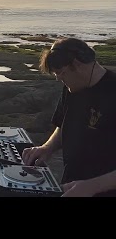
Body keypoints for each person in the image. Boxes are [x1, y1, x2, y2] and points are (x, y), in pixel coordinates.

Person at [21, 37, 116, 197]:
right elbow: (63, 124)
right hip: (72, 186)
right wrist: (47, 147)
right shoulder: (72, 88)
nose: (58, 78)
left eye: (61, 73)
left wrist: (91, 187)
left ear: (77, 64)